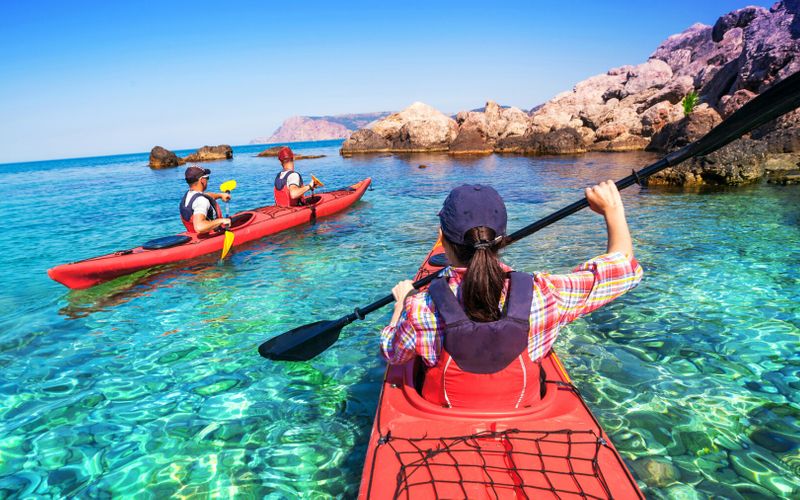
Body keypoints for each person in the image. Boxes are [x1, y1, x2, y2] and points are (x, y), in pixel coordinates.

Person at [381, 182, 643, 410]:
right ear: (502, 239)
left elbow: (392, 353)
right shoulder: (544, 295)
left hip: (443, 415)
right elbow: (623, 270)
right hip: (522, 413)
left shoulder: (419, 309)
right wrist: (613, 210)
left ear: (442, 238)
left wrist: (401, 305)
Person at [179, 166, 231, 234]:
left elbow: (206, 196)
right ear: (202, 180)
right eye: (207, 178)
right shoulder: (202, 201)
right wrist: (221, 221)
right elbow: (199, 227)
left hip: (193, 234)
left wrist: (221, 195)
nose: (207, 180)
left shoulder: (188, 195)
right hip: (210, 235)